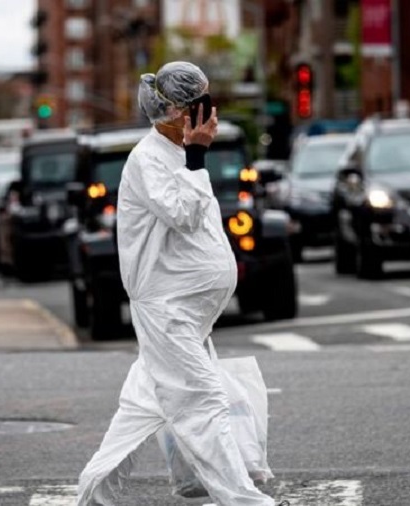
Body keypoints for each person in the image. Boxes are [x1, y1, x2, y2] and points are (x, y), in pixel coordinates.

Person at [76, 62, 279, 506]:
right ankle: (245, 500)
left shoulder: (176, 155)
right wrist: (198, 157)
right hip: (168, 308)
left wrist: (193, 157)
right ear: (175, 114)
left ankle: (96, 493)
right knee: (203, 401)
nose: (210, 112)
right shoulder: (149, 160)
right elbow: (185, 215)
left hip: (187, 308)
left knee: (147, 401)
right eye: (199, 105)